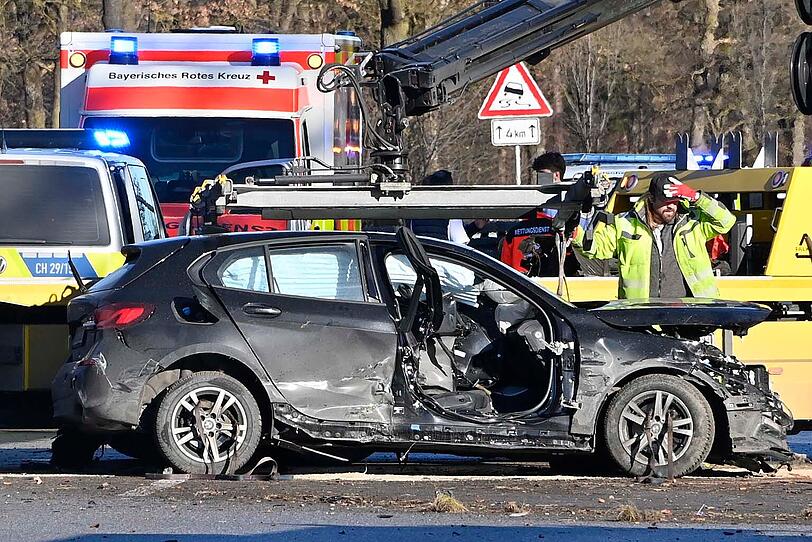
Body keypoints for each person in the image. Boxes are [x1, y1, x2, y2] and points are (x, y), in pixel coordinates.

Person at [572, 174, 735, 299]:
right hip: (643, 316)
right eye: (665, 201)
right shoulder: (625, 223)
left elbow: (726, 221)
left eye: (675, 200)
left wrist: (697, 197)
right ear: (651, 199)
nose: (671, 206)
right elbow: (596, 248)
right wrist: (576, 234)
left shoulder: (693, 222)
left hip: (691, 315)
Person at [410, 170, 471, 244]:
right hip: (440, 254)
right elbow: (460, 241)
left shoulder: (414, 209)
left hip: (417, 253)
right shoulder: (451, 211)